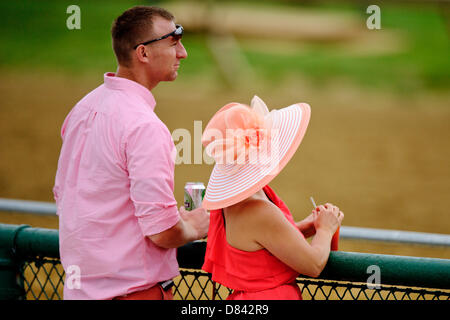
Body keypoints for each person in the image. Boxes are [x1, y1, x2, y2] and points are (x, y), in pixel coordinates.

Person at [53, 6, 209, 300]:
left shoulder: (82, 108)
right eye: (174, 42)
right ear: (144, 53)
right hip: (134, 293)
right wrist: (192, 227)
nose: (183, 53)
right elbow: (161, 232)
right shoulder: (144, 126)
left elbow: (71, 195)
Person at [201, 96, 344, 300]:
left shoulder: (235, 203)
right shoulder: (258, 209)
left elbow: (264, 242)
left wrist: (305, 226)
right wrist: (325, 229)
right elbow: (314, 264)